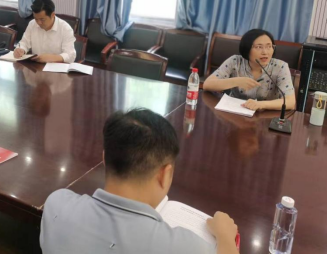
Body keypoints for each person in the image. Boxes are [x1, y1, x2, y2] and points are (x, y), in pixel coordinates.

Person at [40, 109, 239, 254]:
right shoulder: (188, 247)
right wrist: (225, 236)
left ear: (104, 158)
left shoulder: (56, 204)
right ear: (164, 175)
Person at [203, 29, 295, 111]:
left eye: (269, 46)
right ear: (247, 49)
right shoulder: (235, 61)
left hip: (264, 116)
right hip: (234, 112)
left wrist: (260, 105)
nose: (265, 52)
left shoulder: (280, 66)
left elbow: (290, 102)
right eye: (259, 47)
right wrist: (237, 81)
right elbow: (207, 84)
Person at [14, 0, 76, 64]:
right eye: (36, 19)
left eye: (42, 19)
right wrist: (21, 49)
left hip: (56, 67)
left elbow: (70, 55)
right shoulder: (32, 24)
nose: (39, 22)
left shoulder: (65, 28)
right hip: (36, 66)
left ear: (52, 15)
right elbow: (24, 43)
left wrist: (51, 58)